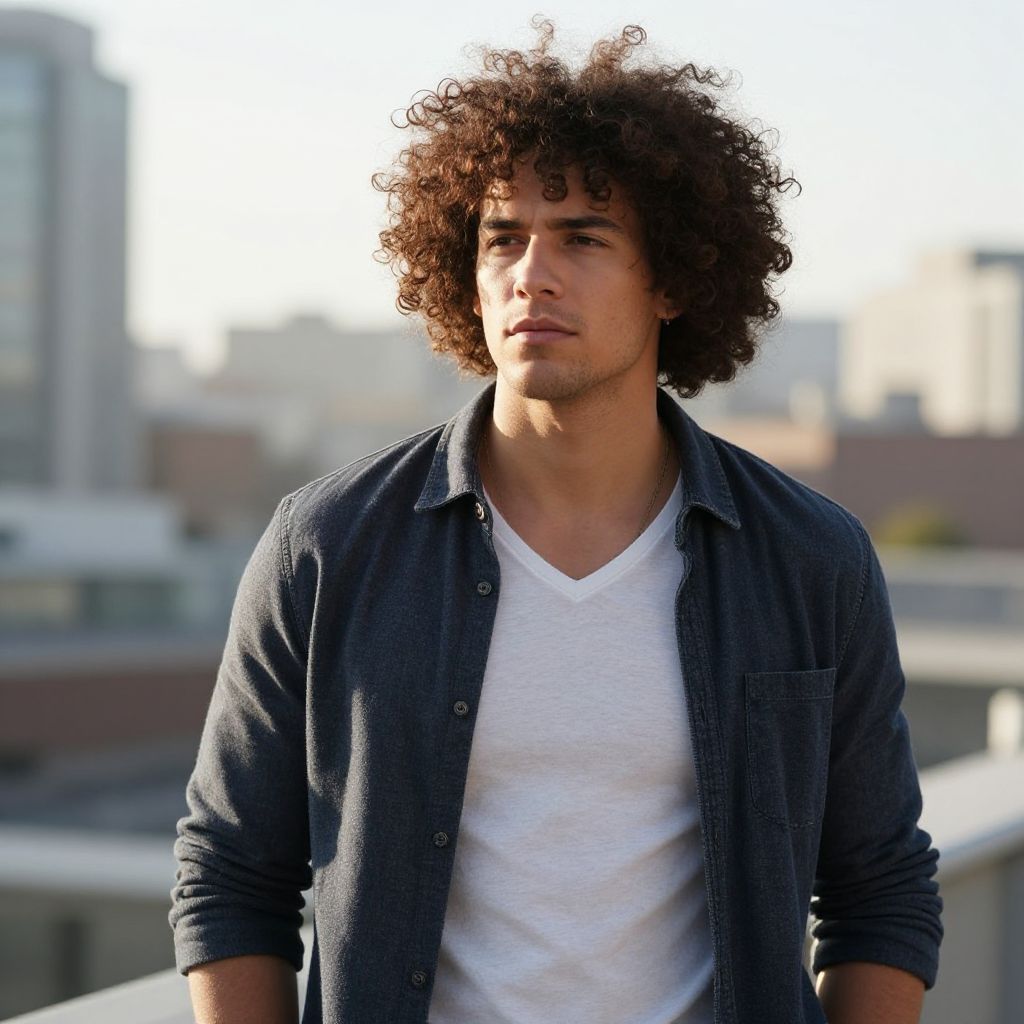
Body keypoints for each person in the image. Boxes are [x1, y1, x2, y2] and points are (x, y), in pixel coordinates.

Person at [169, 22, 942, 1024]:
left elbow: (878, 885)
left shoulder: (807, 557)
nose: (532, 272)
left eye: (582, 236)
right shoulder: (326, 546)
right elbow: (230, 868)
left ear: (671, 279)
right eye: (502, 238)